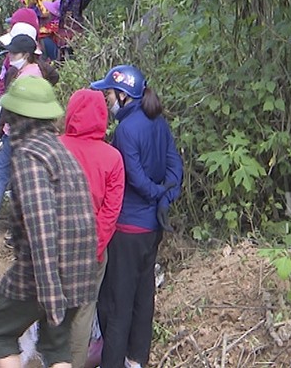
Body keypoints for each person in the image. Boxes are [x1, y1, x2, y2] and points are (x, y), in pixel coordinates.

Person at [0, 77, 97, 368]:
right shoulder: (59, 150)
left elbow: (42, 227)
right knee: (56, 345)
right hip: (79, 271)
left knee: (1, 334)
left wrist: (50, 293)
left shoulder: (29, 157)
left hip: (45, 274)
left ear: (15, 118)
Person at [90, 65, 183, 368]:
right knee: (144, 299)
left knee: (117, 303)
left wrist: (155, 194)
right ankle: (137, 360)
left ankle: (114, 362)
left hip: (127, 229)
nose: (107, 100)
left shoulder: (126, 130)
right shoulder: (158, 121)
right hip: (152, 227)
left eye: (109, 94)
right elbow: (175, 168)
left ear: (123, 95)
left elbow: (135, 178)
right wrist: (165, 198)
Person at [61, 89, 126, 368]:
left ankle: (51, 360)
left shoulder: (55, 148)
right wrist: (96, 246)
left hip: (55, 246)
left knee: (52, 308)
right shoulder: (112, 158)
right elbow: (110, 212)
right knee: (83, 313)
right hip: (91, 250)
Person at [0, 31, 50, 230]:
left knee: (1, 176)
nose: (10, 57)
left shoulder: (24, 76)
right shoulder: (37, 70)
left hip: (13, 133)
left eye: (13, 54)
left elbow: (8, 107)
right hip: (27, 133)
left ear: (24, 54)